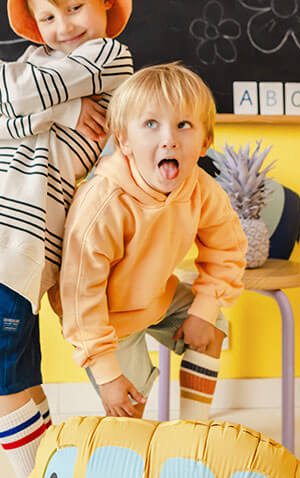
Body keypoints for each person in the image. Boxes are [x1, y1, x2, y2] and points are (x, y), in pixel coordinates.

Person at [0, 0, 133, 478]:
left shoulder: (107, 56)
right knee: (10, 365)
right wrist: (62, 114)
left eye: (75, 7)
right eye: (48, 16)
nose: (64, 26)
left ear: (103, 0)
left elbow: (9, 92)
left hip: (21, 235)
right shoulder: (41, 64)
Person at [60, 62, 246, 419]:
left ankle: (192, 429)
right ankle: (131, 456)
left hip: (155, 296)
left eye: (184, 125)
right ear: (123, 140)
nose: (168, 138)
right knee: (128, 407)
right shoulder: (104, 203)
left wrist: (203, 312)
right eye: (151, 124)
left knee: (213, 327)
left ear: (205, 141)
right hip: (105, 316)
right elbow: (80, 293)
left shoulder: (202, 190)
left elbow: (227, 249)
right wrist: (107, 373)